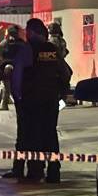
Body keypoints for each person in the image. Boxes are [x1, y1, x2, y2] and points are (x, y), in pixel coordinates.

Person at [11, 18, 72, 183]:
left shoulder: (27, 49)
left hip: (30, 100)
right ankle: (53, 171)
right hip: (50, 100)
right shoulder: (52, 50)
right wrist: (61, 92)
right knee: (50, 134)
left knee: (31, 135)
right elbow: (67, 72)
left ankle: (35, 170)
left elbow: (17, 75)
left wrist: (17, 96)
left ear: (31, 32)